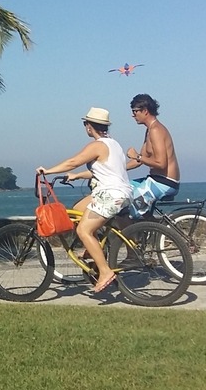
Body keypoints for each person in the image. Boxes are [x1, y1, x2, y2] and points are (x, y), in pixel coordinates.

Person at [36, 107, 131, 294]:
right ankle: (93, 249)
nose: (85, 127)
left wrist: (47, 171)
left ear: (90, 126)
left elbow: (73, 161)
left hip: (110, 195)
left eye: (85, 123)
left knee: (83, 230)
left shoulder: (97, 146)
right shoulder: (113, 144)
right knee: (78, 210)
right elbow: (102, 170)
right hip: (118, 192)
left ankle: (105, 271)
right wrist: (77, 176)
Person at [125, 94, 180, 202]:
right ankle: (147, 218)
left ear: (145, 111)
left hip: (164, 182)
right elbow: (139, 161)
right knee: (120, 190)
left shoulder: (156, 130)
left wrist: (137, 156)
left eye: (135, 111)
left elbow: (161, 163)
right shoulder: (150, 130)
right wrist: (117, 168)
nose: (133, 115)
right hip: (155, 180)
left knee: (129, 206)